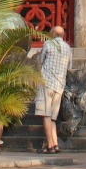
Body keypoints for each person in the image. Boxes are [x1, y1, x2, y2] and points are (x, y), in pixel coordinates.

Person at [31, 24, 72, 153]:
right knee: (53, 117)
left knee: (46, 115)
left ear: (53, 34)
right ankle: (55, 144)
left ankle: (50, 145)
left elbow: (41, 60)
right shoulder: (68, 48)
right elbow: (70, 66)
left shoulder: (48, 44)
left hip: (47, 83)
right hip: (60, 85)